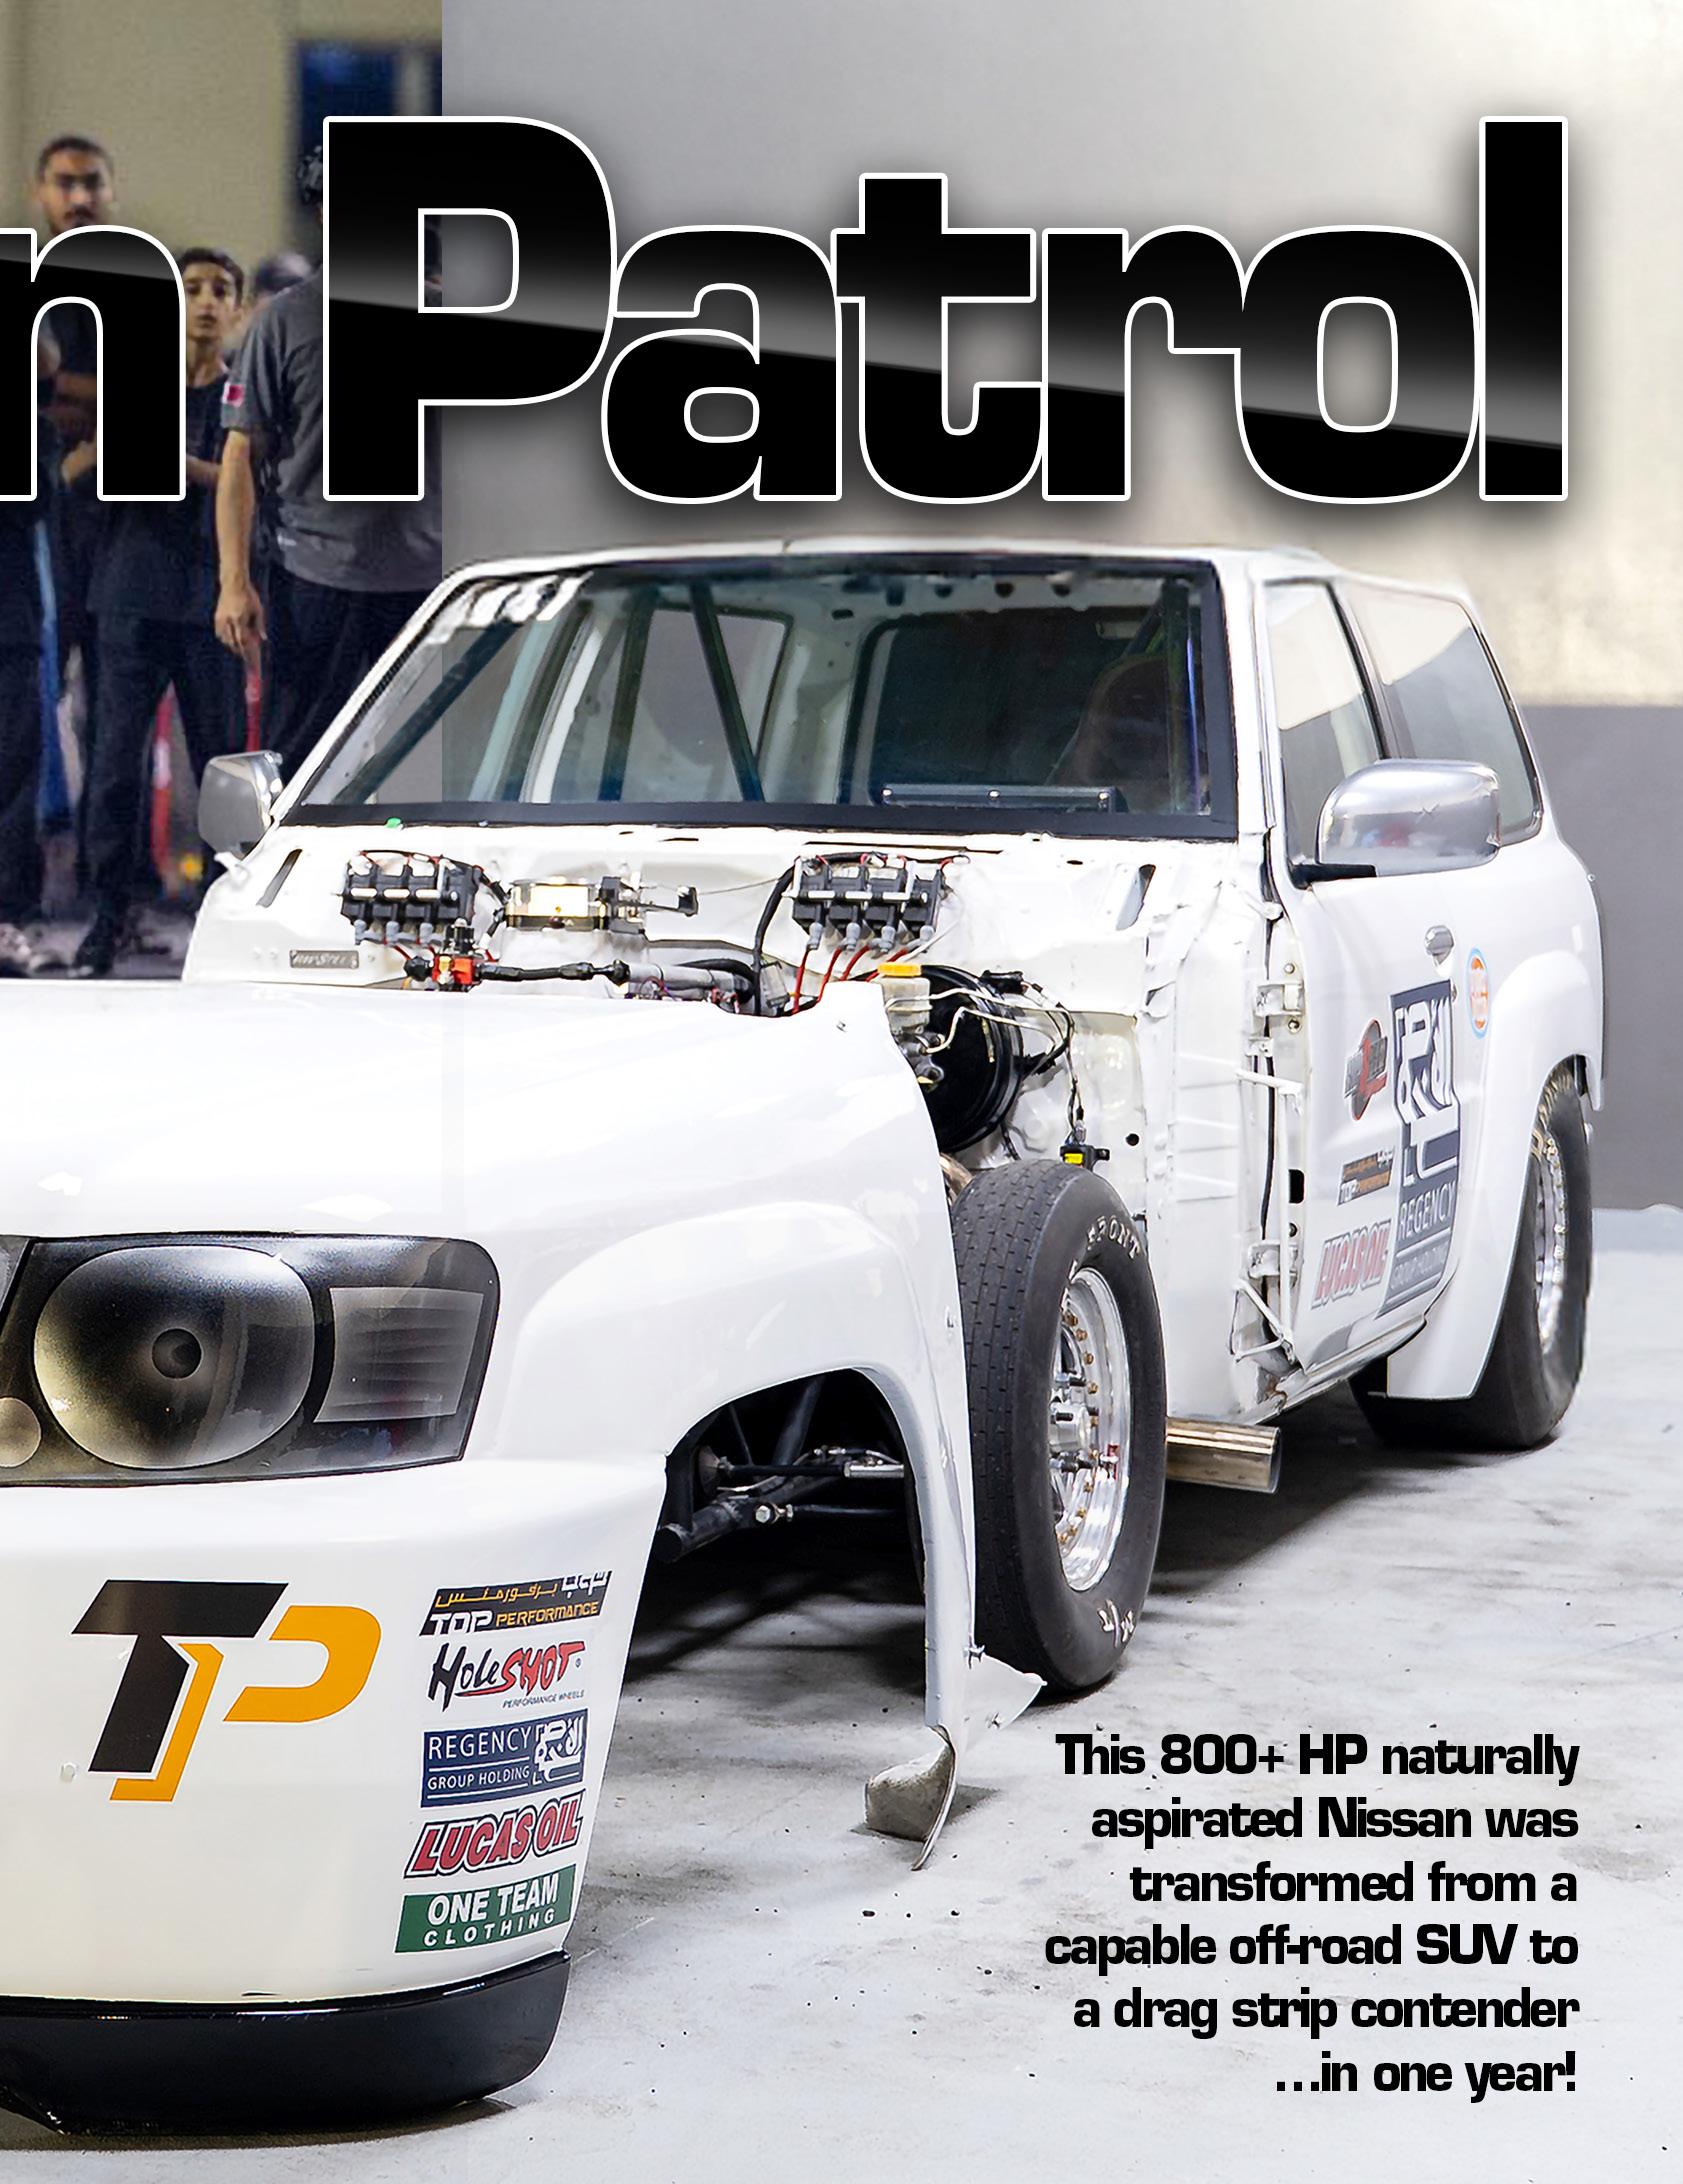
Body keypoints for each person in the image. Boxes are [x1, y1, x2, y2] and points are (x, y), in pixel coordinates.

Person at [216, 146, 441, 777]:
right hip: (314, 578)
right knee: (304, 766)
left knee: (423, 766)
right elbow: (240, 458)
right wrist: (234, 582)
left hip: (428, 584)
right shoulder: (283, 322)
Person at [69, 251, 248, 979]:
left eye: (219, 290)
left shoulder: (244, 392)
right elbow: (77, 475)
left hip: (211, 596)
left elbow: (254, 481)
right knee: (115, 763)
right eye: (191, 289)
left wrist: (186, 468)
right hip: (128, 593)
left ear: (237, 308)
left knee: (221, 765)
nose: (204, 302)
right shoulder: (133, 385)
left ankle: (223, 909)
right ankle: (110, 913)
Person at [33, 134, 117, 882]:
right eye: (66, 183)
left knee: (117, 711)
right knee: (37, 690)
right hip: (43, 520)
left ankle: (111, 876)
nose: (80, 197)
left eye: (91, 182)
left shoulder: (133, 281)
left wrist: (63, 398)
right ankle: (31, 873)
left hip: (125, 521)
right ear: (41, 192)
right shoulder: (31, 280)